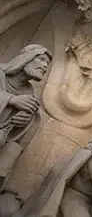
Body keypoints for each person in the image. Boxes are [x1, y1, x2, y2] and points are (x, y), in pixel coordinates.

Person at [0, 45, 51, 187]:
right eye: (41, 59)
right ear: (26, 58)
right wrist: (11, 99)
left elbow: (26, 124)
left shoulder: (28, 91)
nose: (45, 65)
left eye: (47, 63)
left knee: (11, 151)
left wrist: (26, 121)